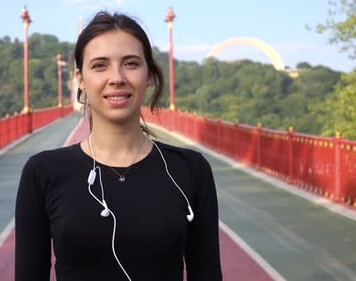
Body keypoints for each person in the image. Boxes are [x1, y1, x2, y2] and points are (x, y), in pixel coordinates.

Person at [15, 11, 222, 281]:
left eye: (131, 63)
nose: (117, 77)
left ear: (149, 75)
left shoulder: (191, 170)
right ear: (81, 79)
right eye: (100, 65)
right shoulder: (43, 173)